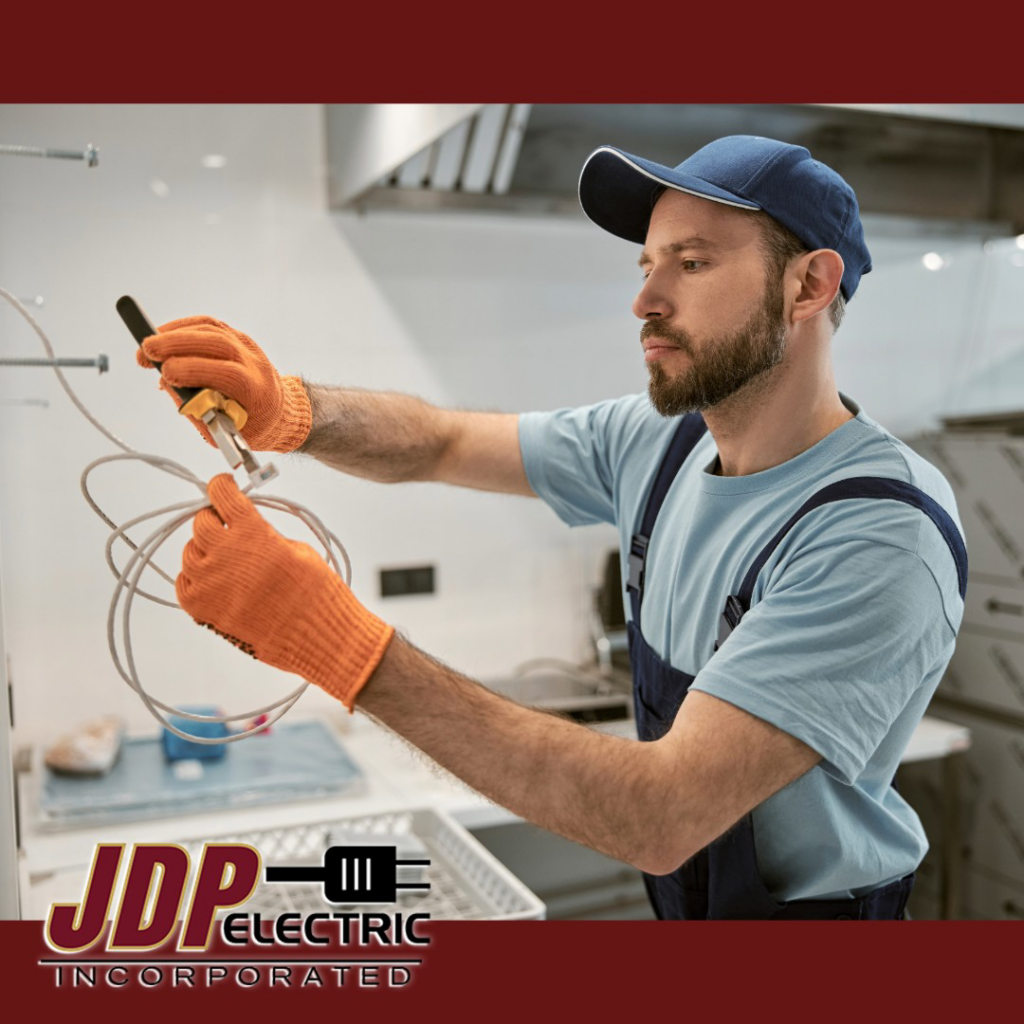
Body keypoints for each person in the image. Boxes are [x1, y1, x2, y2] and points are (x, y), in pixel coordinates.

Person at [137, 135, 967, 920]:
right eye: (647, 265)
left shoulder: (879, 532)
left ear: (809, 287)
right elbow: (445, 439)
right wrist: (293, 411)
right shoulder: (663, 439)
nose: (644, 300)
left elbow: (661, 811)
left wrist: (333, 640)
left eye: (692, 262)